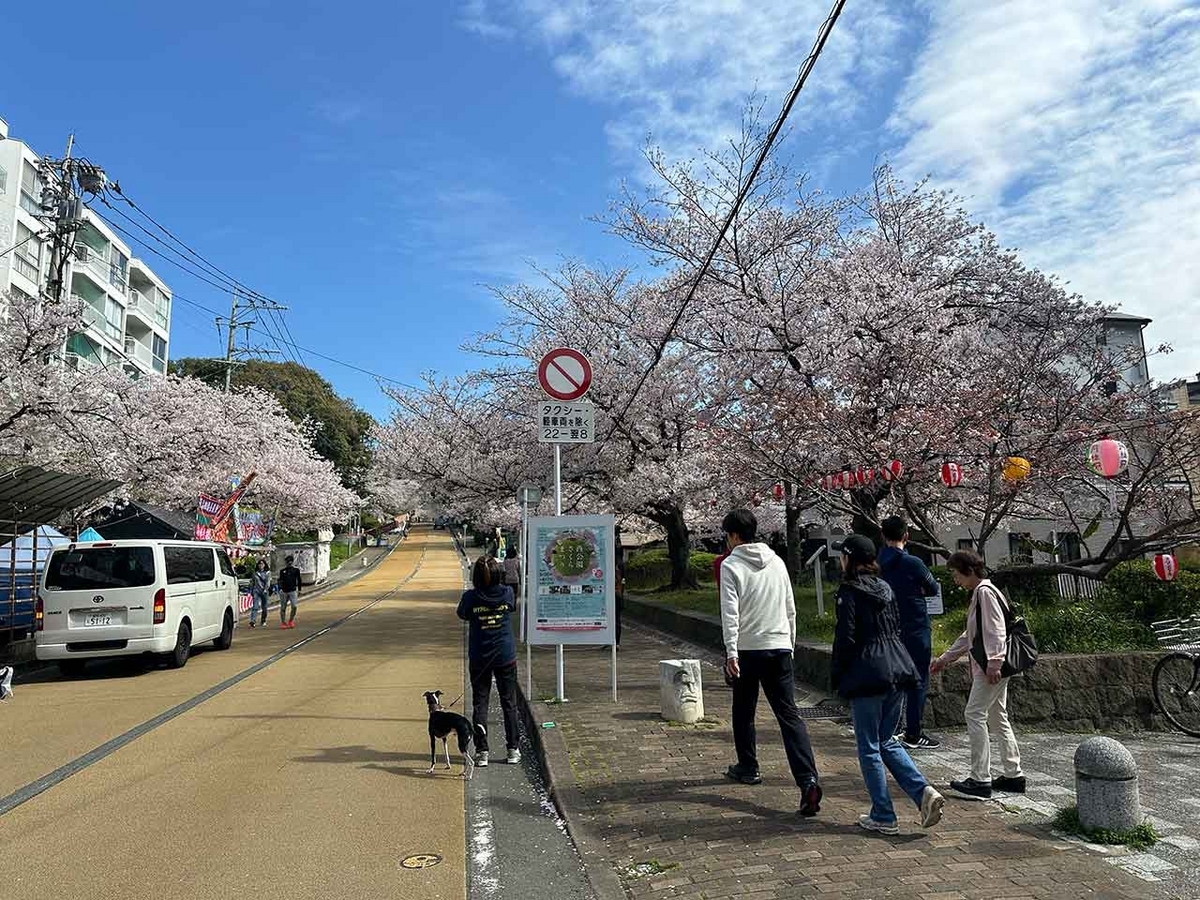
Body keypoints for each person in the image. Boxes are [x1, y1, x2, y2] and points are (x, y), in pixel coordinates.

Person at [832, 534, 944, 834]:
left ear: (849, 558)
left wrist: (839, 675)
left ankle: (883, 814)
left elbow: (846, 639)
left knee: (868, 745)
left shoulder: (849, 591)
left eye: (841, 555)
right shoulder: (885, 588)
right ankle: (923, 792)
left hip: (868, 672)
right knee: (887, 740)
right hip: (898, 667)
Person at [719, 508, 822, 817]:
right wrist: (788, 645)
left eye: (727, 535)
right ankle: (808, 780)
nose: (726, 541)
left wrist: (730, 652)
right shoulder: (776, 562)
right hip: (779, 647)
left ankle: (748, 767)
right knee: (789, 716)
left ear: (735, 536)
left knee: (744, 710)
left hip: (749, 649)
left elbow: (730, 612)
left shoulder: (731, 565)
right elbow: (790, 606)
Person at [931, 550, 1025, 800]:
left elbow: (995, 628)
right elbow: (971, 635)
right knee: (997, 716)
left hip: (991, 666)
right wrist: (945, 658)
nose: (954, 579)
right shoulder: (985, 591)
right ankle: (1013, 775)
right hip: (995, 664)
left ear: (969, 570)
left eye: (955, 573)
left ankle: (980, 780)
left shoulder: (984, 592)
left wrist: (994, 661)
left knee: (974, 713)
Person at [877, 516, 942, 750]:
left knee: (891, 679)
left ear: (883, 536)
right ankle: (914, 732)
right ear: (906, 536)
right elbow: (933, 588)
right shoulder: (913, 563)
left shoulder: (877, 564)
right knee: (917, 680)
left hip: (887, 628)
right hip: (915, 627)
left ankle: (887, 728)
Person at [457, 557, 522, 766]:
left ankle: (482, 751)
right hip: (505, 655)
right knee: (509, 703)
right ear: (497, 574)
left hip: (480, 657)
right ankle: (513, 749)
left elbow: (462, 614)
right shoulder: (507, 593)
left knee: (480, 704)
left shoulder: (470, 597)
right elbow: (511, 607)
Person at [278, 555, 301, 629]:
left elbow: (299, 580)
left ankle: (291, 620)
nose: (289, 563)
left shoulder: (296, 570)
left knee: (294, 606)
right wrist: (280, 588)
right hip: (284, 591)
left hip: (293, 590)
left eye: (290, 561)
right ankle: (283, 622)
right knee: (283, 608)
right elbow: (280, 580)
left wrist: (299, 589)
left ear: (292, 562)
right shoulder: (282, 571)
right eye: (287, 561)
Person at [250, 558, 271, 627]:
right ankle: (253, 621)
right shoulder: (255, 573)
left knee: (264, 607)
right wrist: (251, 590)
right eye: (259, 564)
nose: (260, 565)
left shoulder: (268, 573)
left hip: (264, 592)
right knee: (255, 606)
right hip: (256, 591)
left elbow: (268, 582)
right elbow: (252, 582)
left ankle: (263, 620)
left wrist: (265, 589)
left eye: (262, 564)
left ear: (265, 565)